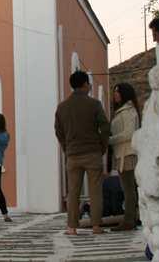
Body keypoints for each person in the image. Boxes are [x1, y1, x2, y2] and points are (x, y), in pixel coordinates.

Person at [55, 70, 110, 235]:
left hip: (72, 154)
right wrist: (102, 146)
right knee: (95, 191)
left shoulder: (62, 107)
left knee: (73, 192)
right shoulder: (94, 104)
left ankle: (71, 227)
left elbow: (58, 131)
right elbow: (105, 126)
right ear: (85, 84)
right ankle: (96, 226)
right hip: (92, 152)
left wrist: (67, 147)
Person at [109, 82, 140, 231]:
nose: (115, 94)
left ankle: (129, 220)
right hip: (122, 154)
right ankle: (131, 218)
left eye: (118, 91)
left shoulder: (128, 111)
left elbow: (129, 133)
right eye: (114, 91)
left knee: (128, 189)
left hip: (126, 154)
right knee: (128, 188)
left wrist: (110, 140)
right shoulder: (122, 111)